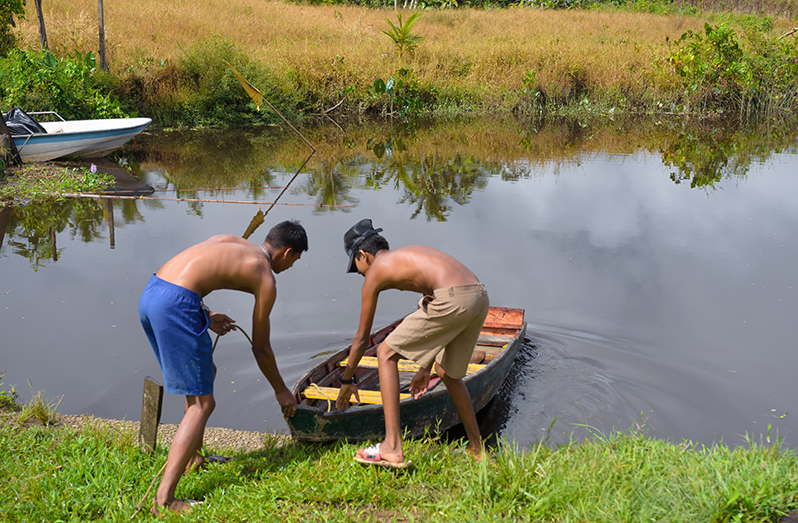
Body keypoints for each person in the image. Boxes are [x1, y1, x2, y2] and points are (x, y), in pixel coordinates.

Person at [138, 220, 307, 514]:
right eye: (296, 259)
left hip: (153, 293)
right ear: (287, 252)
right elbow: (261, 347)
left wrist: (207, 313)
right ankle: (164, 499)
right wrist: (282, 391)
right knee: (202, 404)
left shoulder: (231, 240)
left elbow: (187, 273)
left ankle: (195, 457)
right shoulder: (266, 276)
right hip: (177, 304)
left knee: (207, 376)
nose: (293, 266)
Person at [335, 219, 489, 468]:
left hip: (452, 297)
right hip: (478, 295)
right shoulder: (408, 256)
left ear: (363, 255)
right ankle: (477, 449)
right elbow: (435, 315)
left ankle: (392, 446)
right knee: (448, 373)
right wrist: (425, 368)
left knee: (385, 352)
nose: (360, 273)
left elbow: (363, 338)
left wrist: (346, 380)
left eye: (356, 266)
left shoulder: (375, 272)